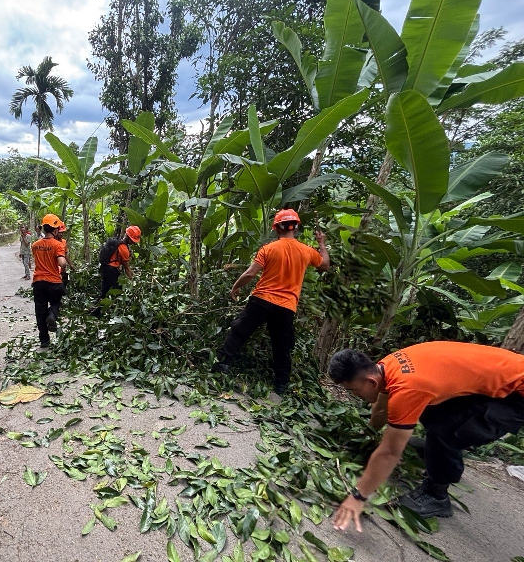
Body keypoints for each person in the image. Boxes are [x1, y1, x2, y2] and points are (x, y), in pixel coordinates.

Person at [327, 342, 524, 531]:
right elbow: (382, 407)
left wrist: (358, 496)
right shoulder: (387, 366)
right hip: (503, 375)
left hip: (518, 393)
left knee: (448, 432)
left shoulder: (407, 388)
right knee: (429, 409)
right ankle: (436, 452)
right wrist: (369, 435)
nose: (354, 395)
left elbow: (389, 453)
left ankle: (436, 494)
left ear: (370, 381)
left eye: (353, 390)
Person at [212, 209, 329, 394]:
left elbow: (251, 273)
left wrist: (235, 287)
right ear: (296, 227)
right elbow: (325, 264)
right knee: (282, 345)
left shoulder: (269, 248)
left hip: (261, 300)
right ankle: (280, 385)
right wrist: (321, 243)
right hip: (286, 306)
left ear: (276, 228)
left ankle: (222, 365)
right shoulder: (307, 251)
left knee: (238, 331)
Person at [31, 214, 67, 349]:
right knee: (56, 302)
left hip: (38, 282)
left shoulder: (35, 245)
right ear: (55, 230)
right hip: (53, 281)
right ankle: (52, 314)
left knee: (40, 311)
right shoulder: (58, 245)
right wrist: (62, 263)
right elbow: (62, 263)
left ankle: (44, 341)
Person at [92, 225, 140, 317]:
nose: (134, 243)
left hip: (105, 268)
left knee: (105, 291)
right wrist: (132, 280)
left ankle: (95, 311)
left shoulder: (117, 242)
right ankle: (102, 313)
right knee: (117, 292)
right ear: (129, 238)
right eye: (133, 241)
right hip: (111, 271)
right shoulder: (124, 249)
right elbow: (126, 268)